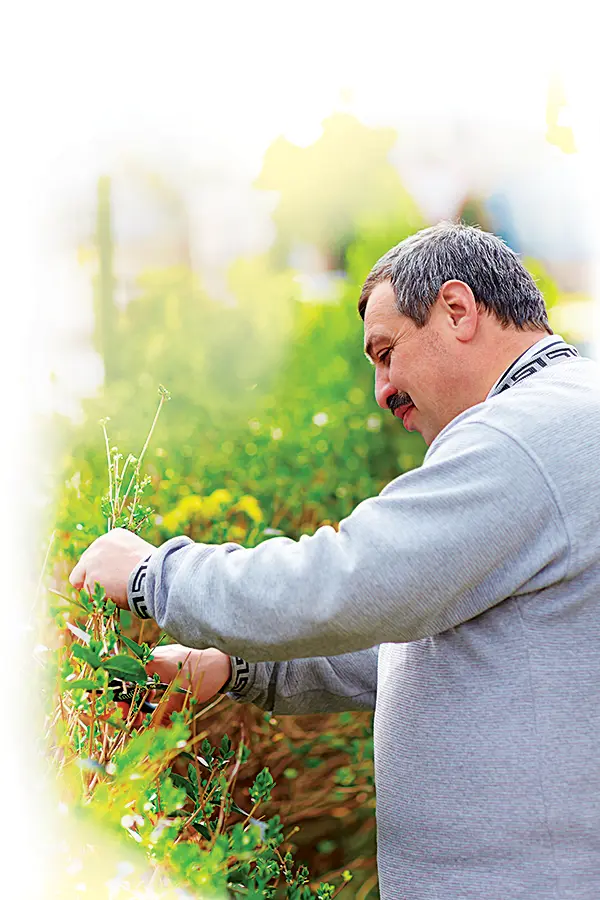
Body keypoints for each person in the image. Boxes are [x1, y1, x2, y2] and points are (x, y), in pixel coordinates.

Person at [69, 222, 600, 900]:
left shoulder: (527, 435)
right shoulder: (564, 420)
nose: (383, 391)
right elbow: (443, 649)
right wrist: (237, 669)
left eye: (386, 353)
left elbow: (352, 581)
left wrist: (154, 576)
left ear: (458, 310)